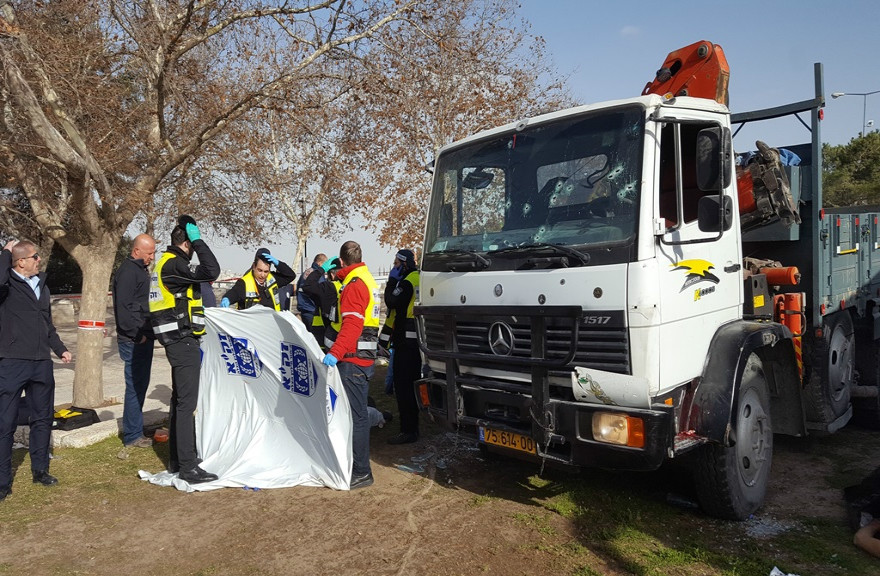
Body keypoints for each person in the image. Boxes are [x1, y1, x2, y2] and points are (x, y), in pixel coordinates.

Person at [0, 239, 72, 501]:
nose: (39, 260)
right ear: (20, 261)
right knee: (5, 423)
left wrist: (60, 348)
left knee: (42, 419)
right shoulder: (6, 284)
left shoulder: (42, 286)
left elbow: (47, 325)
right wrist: (5, 252)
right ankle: (3, 481)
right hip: (12, 362)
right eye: (34, 256)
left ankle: (40, 470)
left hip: (41, 363)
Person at [149, 219, 220, 484]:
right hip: (183, 340)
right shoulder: (174, 264)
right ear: (186, 243)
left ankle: (179, 460)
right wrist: (199, 241)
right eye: (192, 243)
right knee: (187, 405)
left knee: (180, 401)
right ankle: (189, 467)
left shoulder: (164, 264)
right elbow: (212, 270)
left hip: (178, 339)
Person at [321, 241, 380, 489]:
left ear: (342, 262)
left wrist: (335, 352)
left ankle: (361, 472)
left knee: (356, 418)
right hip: (362, 359)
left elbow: (352, 326)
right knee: (357, 415)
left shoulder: (354, 286)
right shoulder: (365, 279)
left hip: (353, 361)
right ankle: (357, 466)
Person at [112, 234, 157, 452]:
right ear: (137, 251)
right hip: (133, 339)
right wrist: (137, 335)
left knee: (140, 386)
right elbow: (124, 309)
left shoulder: (140, 270)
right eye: (149, 253)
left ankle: (136, 429)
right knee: (134, 387)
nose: (152, 257)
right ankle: (132, 434)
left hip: (142, 336)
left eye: (153, 253)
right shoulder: (129, 272)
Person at [384, 249, 421, 445]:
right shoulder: (417, 277)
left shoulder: (407, 281)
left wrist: (391, 282)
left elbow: (391, 300)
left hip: (406, 341)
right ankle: (412, 427)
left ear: (404, 263)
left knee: (404, 386)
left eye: (396, 263)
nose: (394, 266)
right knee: (411, 385)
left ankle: (408, 430)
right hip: (413, 339)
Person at [220, 248, 295, 310]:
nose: (262, 275)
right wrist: (227, 298)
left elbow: (290, 276)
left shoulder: (272, 279)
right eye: (260, 270)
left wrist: (278, 263)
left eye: (266, 271)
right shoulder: (244, 282)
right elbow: (235, 292)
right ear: (253, 267)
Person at [296, 253, 328, 325]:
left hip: (304, 308)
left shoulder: (305, 273)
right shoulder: (317, 275)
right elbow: (321, 292)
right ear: (320, 263)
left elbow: (298, 288)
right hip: (312, 309)